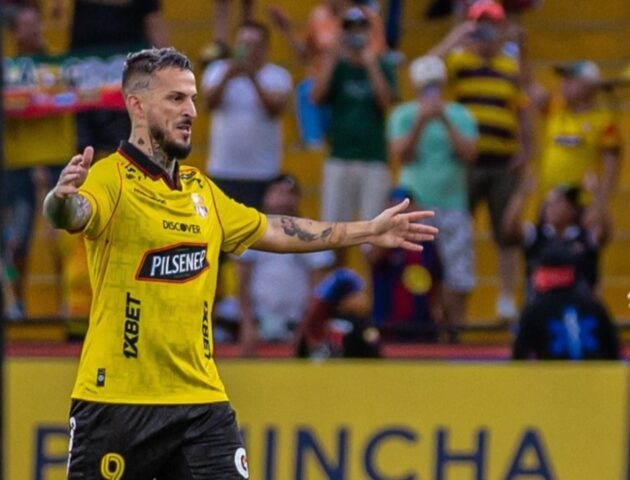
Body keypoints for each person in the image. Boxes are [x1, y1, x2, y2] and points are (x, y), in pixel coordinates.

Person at [42, 47, 438, 478]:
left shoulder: (201, 191)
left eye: (193, 99)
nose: (191, 111)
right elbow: (73, 213)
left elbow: (275, 229)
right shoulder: (109, 178)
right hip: (117, 403)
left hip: (200, 401)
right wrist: (60, 199)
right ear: (137, 105)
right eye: (176, 98)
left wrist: (368, 229)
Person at [429, 0, 533, 321]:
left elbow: (523, 105)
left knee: (506, 233)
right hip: (467, 162)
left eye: (492, 24)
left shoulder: (509, 66)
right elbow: (427, 68)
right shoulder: (460, 61)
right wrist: (457, 35)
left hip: (503, 160)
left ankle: (506, 296)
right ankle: (450, 299)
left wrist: (527, 149)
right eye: (480, 23)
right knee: (458, 229)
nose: (486, 30)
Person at [388, 55, 478, 336]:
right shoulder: (403, 115)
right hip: (417, 204)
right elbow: (402, 155)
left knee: (458, 273)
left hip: (454, 204)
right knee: (418, 271)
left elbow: (470, 155)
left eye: (435, 84)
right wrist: (421, 122)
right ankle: (422, 329)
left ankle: (455, 329)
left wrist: (445, 121)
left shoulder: (460, 115)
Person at [2, 5, 77, 320]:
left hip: (58, 159)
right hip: (18, 164)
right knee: (17, 241)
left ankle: (66, 302)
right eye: (25, 26)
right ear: (15, 32)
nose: (32, 31)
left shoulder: (59, 66)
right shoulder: (7, 71)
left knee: (61, 239)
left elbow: (72, 100)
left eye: (36, 24)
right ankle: (16, 302)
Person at [51, 0, 170, 156]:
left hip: (122, 79)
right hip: (84, 76)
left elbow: (153, 23)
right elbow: (55, 11)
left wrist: (166, 68)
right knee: (83, 147)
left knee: (122, 144)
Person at [312, 7, 396, 223]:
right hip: (340, 155)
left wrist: (371, 63)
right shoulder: (337, 67)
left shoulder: (383, 65)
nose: (356, 34)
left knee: (373, 227)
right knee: (333, 228)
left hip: (373, 157)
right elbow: (316, 97)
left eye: (361, 28)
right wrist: (333, 55)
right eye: (350, 29)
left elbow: (386, 104)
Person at [236, 174, 334, 355]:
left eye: (288, 193)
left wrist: (307, 327)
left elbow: (318, 288)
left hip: (296, 323)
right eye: (276, 193)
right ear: (265, 197)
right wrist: (247, 326)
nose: (282, 199)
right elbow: (242, 285)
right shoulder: (251, 231)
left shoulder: (312, 232)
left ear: (298, 199)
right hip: (259, 322)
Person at [268, 0, 386, 147]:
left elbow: (377, 55)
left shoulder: (366, 17)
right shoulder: (318, 16)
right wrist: (286, 30)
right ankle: (313, 145)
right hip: (321, 81)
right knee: (306, 91)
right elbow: (303, 54)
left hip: (354, 80)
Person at [202, 20, 292, 208]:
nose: (247, 50)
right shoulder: (217, 70)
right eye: (243, 44)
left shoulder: (278, 75)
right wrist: (227, 77)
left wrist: (253, 78)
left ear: (265, 47)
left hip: (262, 172)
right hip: (223, 169)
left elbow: (274, 110)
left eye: (253, 45)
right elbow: (208, 104)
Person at [528, 60, 623, 231]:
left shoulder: (604, 122)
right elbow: (528, 85)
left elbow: (611, 170)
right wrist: (521, 51)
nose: (563, 84)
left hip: (583, 206)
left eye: (571, 80)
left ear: (589, 86)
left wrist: (598, 207)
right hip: (550, 202)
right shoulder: (556, 108)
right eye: (564, 79)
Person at [503, 176, 609, 303]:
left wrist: (596, 194)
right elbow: (510, 229)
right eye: (556, 202)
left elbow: (605, 231)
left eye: (565, 202)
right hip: (540, 306)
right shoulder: (535, 234)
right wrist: (522, 193)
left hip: (579, 308)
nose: (558, 207)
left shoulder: (585, 237)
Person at [512, 244, 620, 360]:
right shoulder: (593, 305)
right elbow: (613, 348)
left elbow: (519, 355)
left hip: (553, 371)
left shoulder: (534, 310)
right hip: (595, 371)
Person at [365, 187, 443, 342]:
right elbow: (372, 260)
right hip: (388, 326)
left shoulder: (429, 245)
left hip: (422, 327)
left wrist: (438, 310)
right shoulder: (383, 244)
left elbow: (438, 278)